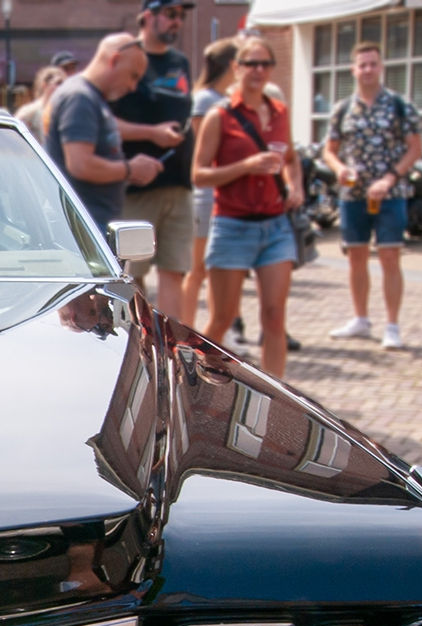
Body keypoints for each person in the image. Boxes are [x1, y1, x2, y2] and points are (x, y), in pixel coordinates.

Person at [192, 36, 302, 378]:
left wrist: (295, 185)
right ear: (236, 69)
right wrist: (246, 165)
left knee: (274, 315)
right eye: (251, 64)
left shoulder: (280, 112)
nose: (258, 70)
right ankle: (197, 381)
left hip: (274, 225)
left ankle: (278, 396)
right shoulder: (220, 116)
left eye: (265, 64)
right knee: (222, 317)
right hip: (232, 225)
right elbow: (199, 174)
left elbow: (292, 159)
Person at [321, 42, 422, 350]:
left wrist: (390, 178)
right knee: (356, 257)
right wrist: (338, 169)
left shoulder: (399, 105)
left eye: (372, 64)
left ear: (381, 67)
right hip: (352, 195)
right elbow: (330, 149)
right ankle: (361, 319)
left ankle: (392, 324)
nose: (367, 69)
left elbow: (415, 148)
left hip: (390, 193)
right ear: (353, 70)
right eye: (362, 64)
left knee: (390, 256)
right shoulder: (342, 109)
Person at [111, 0, 194, 317]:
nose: (177, 22)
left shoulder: (180, 62)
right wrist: (151, 133)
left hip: (179, 183)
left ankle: (172, 351)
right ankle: (142, 353)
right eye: (171, 14)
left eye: (181, 16)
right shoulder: (129, 58)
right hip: (137, 187)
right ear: (147, 17)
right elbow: (107, 124)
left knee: (175, 270)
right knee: (134, 276)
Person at [46, 34, 163, 234]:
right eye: (133, 76)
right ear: (114, 60)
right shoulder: (79, 97)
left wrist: (151, 135)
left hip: (89, 224)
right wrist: (130, 169)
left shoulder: (89, 97)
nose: (133, 87)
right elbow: (80, 165)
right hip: (84, 227)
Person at [180, 37, 238, 330]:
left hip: (223, 195)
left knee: (213, 270)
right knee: (197, 269)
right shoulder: (205, 100)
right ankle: (187, 329)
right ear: (232, 64)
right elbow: (205, 149)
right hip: (205, 195)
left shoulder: (223, 98)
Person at [17, 66, 63, 143]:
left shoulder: (59, 111)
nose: (61, 87)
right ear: (45, 84)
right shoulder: (30, 111)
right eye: (58, 83)